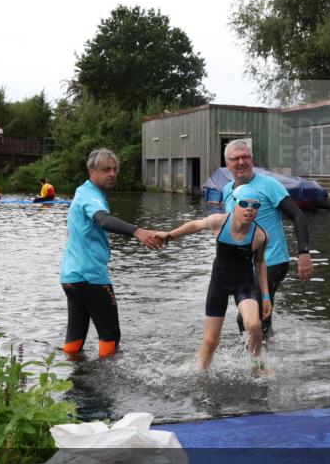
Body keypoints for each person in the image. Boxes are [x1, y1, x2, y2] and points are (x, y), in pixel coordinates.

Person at [60, 148, 164, 357]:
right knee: (110, 338)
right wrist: (137, 231)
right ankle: (106, 387)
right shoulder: (91, 196)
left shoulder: (82, 192)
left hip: (71, 277)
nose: (112, 174)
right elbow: (103, 220)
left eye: (115, 169)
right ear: (91, 172)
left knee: (75, 337)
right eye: (106, 169)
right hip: (92, 278)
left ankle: (72, 380)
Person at [162, 184, 272, 371]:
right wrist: (169, 236)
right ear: (234, 204)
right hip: (219, 282)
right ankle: (200, 372)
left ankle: (257, 364)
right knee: (211, 340)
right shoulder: (219, 222)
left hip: (244, 282)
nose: (250, 209)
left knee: (254, 325)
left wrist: (266, 295)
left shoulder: (260, 236)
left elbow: (260, 263)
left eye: (255, 206)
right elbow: (195, 225)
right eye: (244, 204)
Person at [220, 139, 313, 338]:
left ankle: (256, 362)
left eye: (245, 157)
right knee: (262, 312)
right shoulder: (227, 190)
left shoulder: (269, 185)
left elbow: (298, 216)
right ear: (227, 164)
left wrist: (304, 253)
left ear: (252, 160)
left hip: (272, 260)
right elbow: (230, 228)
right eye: (235, 158)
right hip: (245, 265)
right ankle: (269, 353)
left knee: (246, 318)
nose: (241, 162)